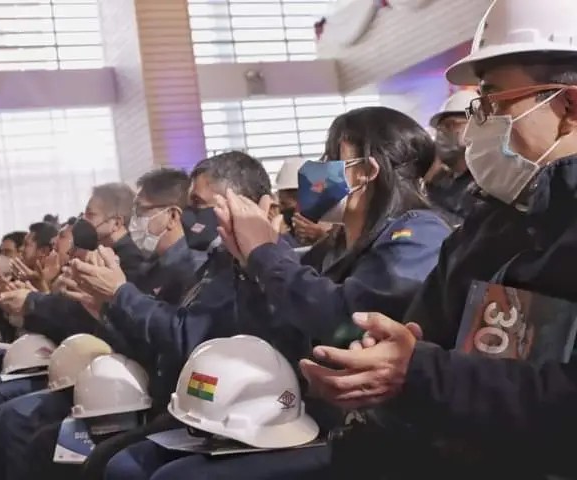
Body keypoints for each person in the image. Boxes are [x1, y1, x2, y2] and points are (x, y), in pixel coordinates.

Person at [297, 0, 577, 478]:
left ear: (568, 105)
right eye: (477, 105)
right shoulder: (489, 223)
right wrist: (378, 365)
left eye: (494, 102)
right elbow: (424, 335)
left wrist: (419, 373)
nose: (476, 128)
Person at [101, 114, 450, 480]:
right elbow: (272, 332)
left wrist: (265, 253)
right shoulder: (332, 247)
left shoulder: (418, 235)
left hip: (375, 433)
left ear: (365, 172)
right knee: (127, 465)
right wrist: (248, 266)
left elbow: (350, 320)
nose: (317, 171)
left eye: (330, 158)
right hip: (304, 413)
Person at [21, 168, 208, 480]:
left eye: (141, 212)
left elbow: (180, 341)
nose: (133, 221)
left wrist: (118, 295)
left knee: (102, 460)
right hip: (138, 390)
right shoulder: (151, 268)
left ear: (172, 216)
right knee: (44, 441)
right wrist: (101, 311)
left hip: (172, 401)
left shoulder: (194, 271)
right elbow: (138, 344)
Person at [425, 90, 482, 224]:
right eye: (439, 128)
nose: (440, 133)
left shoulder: (485, 183)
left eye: (450, 125)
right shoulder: (439, 181)